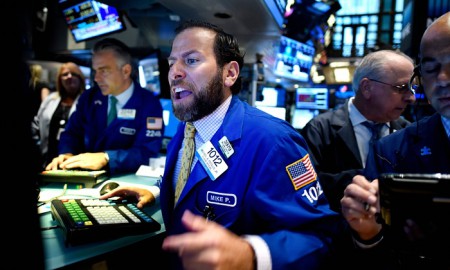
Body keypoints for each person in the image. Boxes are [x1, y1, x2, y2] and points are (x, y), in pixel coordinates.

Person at [101, 20, 344, 269]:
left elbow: (319, 236)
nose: (174, 72)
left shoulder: (274, 141)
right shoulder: (188, 128)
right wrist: (159, 192)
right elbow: (195, 182)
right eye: (172, 62)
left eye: (191, 60)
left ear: (230, 73)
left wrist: (252, 255)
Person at [340, 11, 450, 269]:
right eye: (431, 69)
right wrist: (366, 233)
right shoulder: (390, 150)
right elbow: (372, 255)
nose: (443, 79)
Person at [300, 49, 415, 212]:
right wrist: (373, 177)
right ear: (367, 87)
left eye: (412, 88)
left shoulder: (408, 132)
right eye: (402, 88)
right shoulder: (319, 129)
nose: (411, 98)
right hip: (335, 231)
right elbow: (304, 187)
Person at [46, 38, 164, 175]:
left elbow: (147, 151)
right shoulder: (89, 98)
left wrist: (107, 157)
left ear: (126, 71)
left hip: (125, 180)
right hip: (86, 177)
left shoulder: (149, 103)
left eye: (103, 71)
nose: (96, 78)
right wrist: (67, 153)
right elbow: (72, 133)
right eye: (95, 71)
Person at [32, 62, 86, 169]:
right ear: (60, 79)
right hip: (47, 155)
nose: (69, 77)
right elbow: (36, 123)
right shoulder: (50, 99)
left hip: (75, 158)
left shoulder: (88, 102)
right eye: (65, 74)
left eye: (74, 74)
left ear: (80, 78)